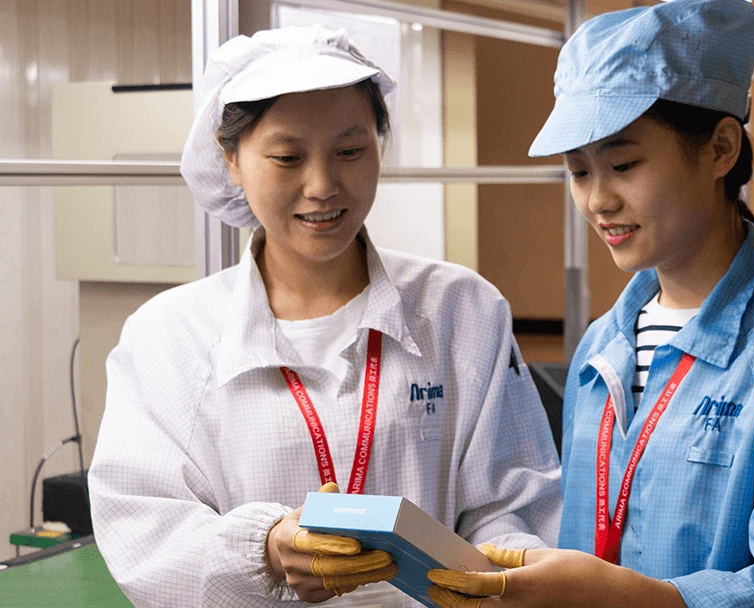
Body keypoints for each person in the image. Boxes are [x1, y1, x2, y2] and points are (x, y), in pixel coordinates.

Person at [427, 1, 754, 606]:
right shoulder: (603, 346)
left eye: (624, 164)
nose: (597, 200)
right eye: (579, 172)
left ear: (720, 149)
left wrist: (635, 598)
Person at [87, 25, 560, 608]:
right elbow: (143, 532)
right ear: (230, 159)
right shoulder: (169, 336)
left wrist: (496, 576)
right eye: (287, 157)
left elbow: (514, 503)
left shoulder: (463, 309)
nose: (322, 185)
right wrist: (263, 549)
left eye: (350, 151)